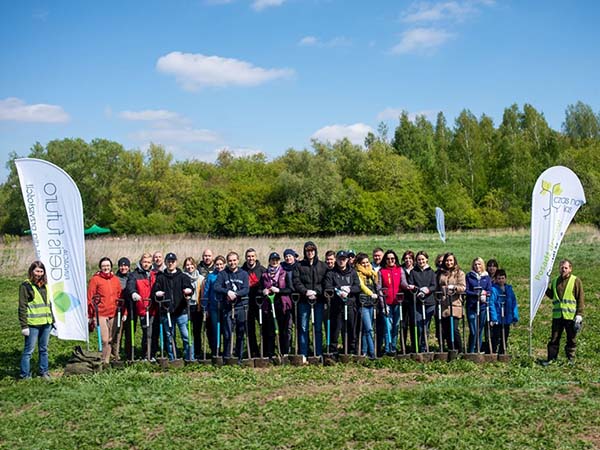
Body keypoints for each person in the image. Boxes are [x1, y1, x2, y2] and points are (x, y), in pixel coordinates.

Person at [151, 253, 194, 361]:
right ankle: (172, 358)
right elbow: (154, 292)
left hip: (181, 312)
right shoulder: (160, 277)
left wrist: (189, 292)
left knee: (186, 336)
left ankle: (190, 358)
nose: (170, 263)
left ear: (176, 262)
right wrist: (157, 293)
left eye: (172, 261)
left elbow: (189, 289)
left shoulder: (183, 277)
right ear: (165, 262)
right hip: (167, 312)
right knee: (170, 337)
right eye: (168, 261)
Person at [19, 261, 54, 380]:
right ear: (32, 271)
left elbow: (49, 304)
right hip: (33, 324)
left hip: (46, 323)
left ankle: (44, 372)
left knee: (44, 349)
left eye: (41, 271)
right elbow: (22, 306)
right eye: (37, 271)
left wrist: (53, 320)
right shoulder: (26, 286)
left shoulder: (46, 285)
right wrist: (24, 326)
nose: (39, 274)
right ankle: (25, 375)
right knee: (29, 351)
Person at [545, 259, 584, 363]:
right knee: (554, 338)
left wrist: (579, 314)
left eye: (566, 268)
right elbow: (552, 296)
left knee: (571, 339)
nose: (563, 269)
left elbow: (580, 298)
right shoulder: (554, 281)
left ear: (570, 269)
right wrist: (544, 287)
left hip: (570, 316)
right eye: (562, 267)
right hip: (557, 316)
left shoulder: (576, 281)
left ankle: (570, 359)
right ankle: (551, 359)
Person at [293, 241, 328, 357]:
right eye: (308, 251)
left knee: (317, 327)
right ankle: (304, 352)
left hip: (318, 301)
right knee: (303, 327)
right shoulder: (299, 266)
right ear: (305, 252)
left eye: (312, 250)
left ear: (315, 251)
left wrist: (317, 292)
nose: (310, 253)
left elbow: (325, 282)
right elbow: (296, 281)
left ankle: (318, 353)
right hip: (304, 301)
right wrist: (306, 291)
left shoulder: (323, 266)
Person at [88, 257, 125, 364]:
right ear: (100, 267)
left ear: (111, 267)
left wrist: (123, 312)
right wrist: (91, 315)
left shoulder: (115, 279)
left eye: (108, 266)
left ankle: (110, 360)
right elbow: (90, 297)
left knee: (111, 339)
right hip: (101, 313)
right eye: (104, 266)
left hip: (113, 313)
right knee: (104, 339)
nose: (106, 268)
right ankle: (104, 360)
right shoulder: (95, 279)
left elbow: (119, 295)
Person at [214, 251, 250, 359]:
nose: (232, 262)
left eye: (234, 260)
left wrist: (236, 294)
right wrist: (227, 292)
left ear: (238, 261)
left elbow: (246, 289)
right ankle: (227, 356)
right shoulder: (222, 274)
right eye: (230, 261)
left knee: (240, 333)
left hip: (241, 307)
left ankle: (239, 357)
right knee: (228, 333)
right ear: (227, 262)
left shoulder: (243, 274)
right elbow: (216, 287)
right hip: (227, 308)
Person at [325, 251, 361, 355]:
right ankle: (333, 352)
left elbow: (357, 287)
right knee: (335, 330)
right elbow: (328, 287)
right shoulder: (331, 273)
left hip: (350, 305)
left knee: (350, 329)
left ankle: (350, 351)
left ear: (347, 260)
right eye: (340, 259)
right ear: (336, 259)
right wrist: (339, 290)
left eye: (344, 259)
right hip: (336, 306)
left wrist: (349, 289)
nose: (342, 261)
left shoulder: (352, 272)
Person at [127, 253, 159, 361]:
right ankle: (146, 354)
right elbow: (130, 285)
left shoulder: (155, 273)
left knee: (154, 332)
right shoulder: (134, 274)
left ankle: (153, 353)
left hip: (154, 307)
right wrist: (133, 293)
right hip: (142, 307)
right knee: (146, 331)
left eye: (149, 262)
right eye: (145, 262)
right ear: (141, 262)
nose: (146, 264)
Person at [261, 252, 293, 356]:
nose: (274, 262)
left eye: (277, 260)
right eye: (272, 260)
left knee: (284, 331)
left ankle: (284, 352)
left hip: (283, 305)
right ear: (269, 261)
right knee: (270, 331)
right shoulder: (264, 275)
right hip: (269, 305)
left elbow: (290, 289)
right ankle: (270, 353)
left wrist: (279, 290)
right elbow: (259, 289)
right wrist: (263, 291)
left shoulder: (284, 273)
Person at [378, 249, 409, 355]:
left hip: (397, 302)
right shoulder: (381, 271)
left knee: (395, 326)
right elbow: (379, 289)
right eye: (388, 259)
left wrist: (408, 286)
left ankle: (394, 347)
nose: (390, 260)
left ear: (395, 259)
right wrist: (383, 305)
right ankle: (387, 348)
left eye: (392, 258)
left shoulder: (400, 270)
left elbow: (403, 282)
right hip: (386, 303)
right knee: (388, 326)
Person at [408, 251, 437, 353]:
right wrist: (417, 289)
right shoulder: (413, 272)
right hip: (417, 303)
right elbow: (411, 285)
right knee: (419, 327)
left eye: (423, 259)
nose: (421, 261)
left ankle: (424, 348)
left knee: (426, 327)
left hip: (429, 303)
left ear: (426, 260)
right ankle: (417, 348)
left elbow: (434, 285)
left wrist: (427, 290)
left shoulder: (431, 272)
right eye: (419, 259)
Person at [437, 253, 466, 352]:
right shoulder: (441, 273)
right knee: (446, 330)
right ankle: (450, 349)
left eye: (451, 260)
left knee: (454, 329)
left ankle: (459, 349)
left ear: (454, 261)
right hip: (444, 304)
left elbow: (463, 287)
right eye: (447, 261)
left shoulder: (459, 273)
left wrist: (454, 288)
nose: (449, 263)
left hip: (455, 304)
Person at [242, 248, 267, 358]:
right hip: (247, 304)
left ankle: (265, 350)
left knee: (264, 327)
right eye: (248, 256)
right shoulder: (242, 271)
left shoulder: (262, 270)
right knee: (249, 328)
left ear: (256, 257)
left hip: (260, 303)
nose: (250, 258)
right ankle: (253, 350)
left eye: (252, 256)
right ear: (245, 258)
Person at [465, 257, 493, 353]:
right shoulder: (469, 276)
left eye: (479, 264)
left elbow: (489, 290)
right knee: (473, 330)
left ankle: (478, 349)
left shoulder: (487, 277)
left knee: (480, 329)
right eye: (475, 264)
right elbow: (467, 290)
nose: (477, 266)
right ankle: (471, 350)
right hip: (471, 306)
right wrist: (476, 294)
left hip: (482, 306)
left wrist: (484, 293)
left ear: (482, 265)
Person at [489, 269, 519, 354]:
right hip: (498, 318)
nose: (501, 280)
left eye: (502, 278)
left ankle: (502, 352)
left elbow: (514, 303)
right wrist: (494, 318)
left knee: (505, 336)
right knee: (496, 336)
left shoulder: (509, 289)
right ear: (496, 279)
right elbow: (492, 303)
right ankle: (493, 352)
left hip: (507, 318)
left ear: (505, 278)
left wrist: (515, 317)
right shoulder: (494, 289)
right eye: (499, 278)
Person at [355, 253, 378, 359]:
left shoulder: (372, 273)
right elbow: (362, 286)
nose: (365, 264)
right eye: (363, 263)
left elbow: (376, 284)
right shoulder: (357, 273)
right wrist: (371, 294)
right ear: (359, 264)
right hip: (363, 303)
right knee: (369, 329)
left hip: (372, 304)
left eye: (367, 262)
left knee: (366, 329)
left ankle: (364, 352)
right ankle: (373, 353)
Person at [203, 255, 226, 355]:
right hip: (213, 307)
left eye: (221, 264)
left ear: (224, 264)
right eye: (217, 264)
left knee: (225, 330)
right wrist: (205, 307)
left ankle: (226, 352)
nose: (219, 266)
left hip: (225, 307)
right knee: (214, 330)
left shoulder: (227, 275)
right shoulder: (211, 276)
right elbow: (206, 292)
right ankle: (215, 351)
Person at [183, 257, 205, 360]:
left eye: (191, 264)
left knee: (197, 331)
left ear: (195, 265)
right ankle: (188, 351)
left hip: (197, 307)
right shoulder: (182, 277)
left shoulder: (201, 278)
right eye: (187, 265)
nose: (189, 267)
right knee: (187, 332)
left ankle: (197, 352)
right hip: (186, 307)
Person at [111, 257, 131, 361]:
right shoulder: (115, 278)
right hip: (118, 308)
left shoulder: (131, 277)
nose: (123, 268)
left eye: (125, 265)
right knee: (117, 332)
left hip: (130, 309)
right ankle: (115, 354)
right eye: (121, 266)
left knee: (129, 332)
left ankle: (128, 354)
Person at [401, 250, 415, 351]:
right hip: (403, 300)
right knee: (404, 324)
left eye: (410, 258)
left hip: (414, 299)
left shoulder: (416, 270)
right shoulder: (400, 269)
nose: (408, 260)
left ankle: (414, 346)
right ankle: (403, 346)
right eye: (406, 258)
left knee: (413, 323)